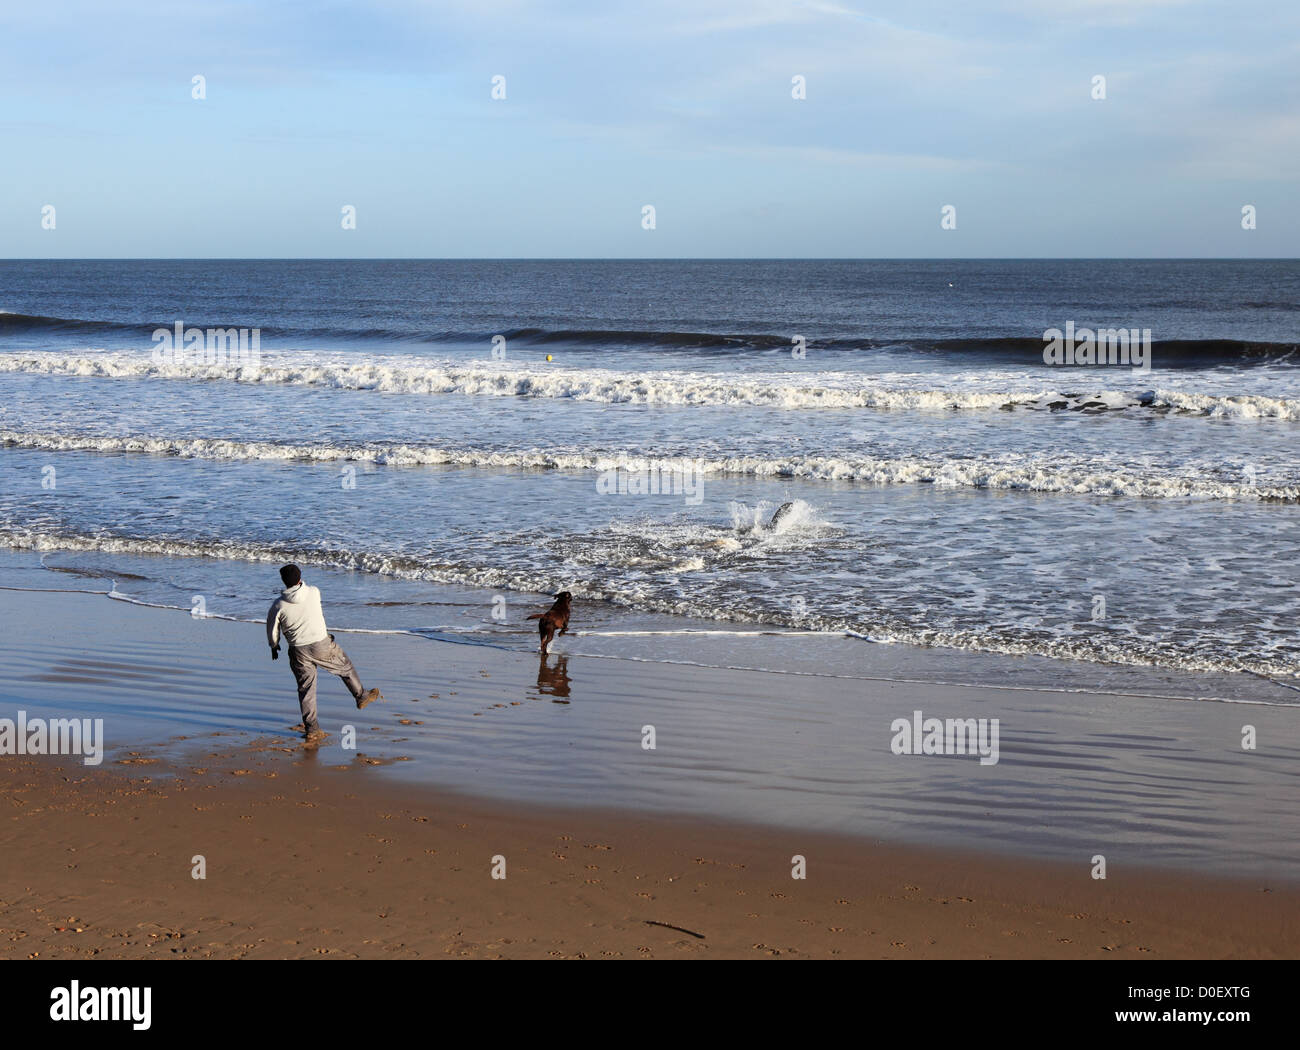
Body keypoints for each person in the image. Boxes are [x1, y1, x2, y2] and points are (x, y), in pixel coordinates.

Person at [267, 564, 381, 744]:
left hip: (298, 650)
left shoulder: (278, 605)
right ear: (300, 578)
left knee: (306, 689)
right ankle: (360, 695)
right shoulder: (314, 592)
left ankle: (312, 729)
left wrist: (274, 646)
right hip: (321, 644)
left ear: (283, 581)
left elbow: (272, 629)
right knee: (345, 667)